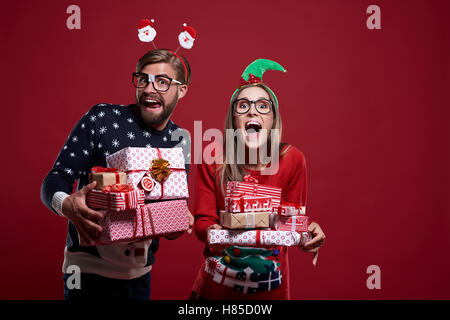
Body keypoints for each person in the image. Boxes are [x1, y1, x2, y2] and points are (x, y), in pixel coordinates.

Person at [41, 49, 194, 300]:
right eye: (143, 79)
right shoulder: (102, 118)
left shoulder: (182, 140)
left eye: (162, 81)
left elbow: (169, 218)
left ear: (182, 90)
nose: (149, 89)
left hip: (139, 276)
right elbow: (56, 177)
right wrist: (65, 204)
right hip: (86, 271)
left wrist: (178, 219)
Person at [190, 59, 325, 300]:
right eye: (243, 106)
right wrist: (216, 233)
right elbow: (202, 221)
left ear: (274, 119)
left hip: (271, 293)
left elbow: (292, 219)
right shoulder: (212, 158)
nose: (253, 111)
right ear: (233, 120)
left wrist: (308, 230)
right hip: (214, 292)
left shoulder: (293, 159)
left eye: (263, 106)